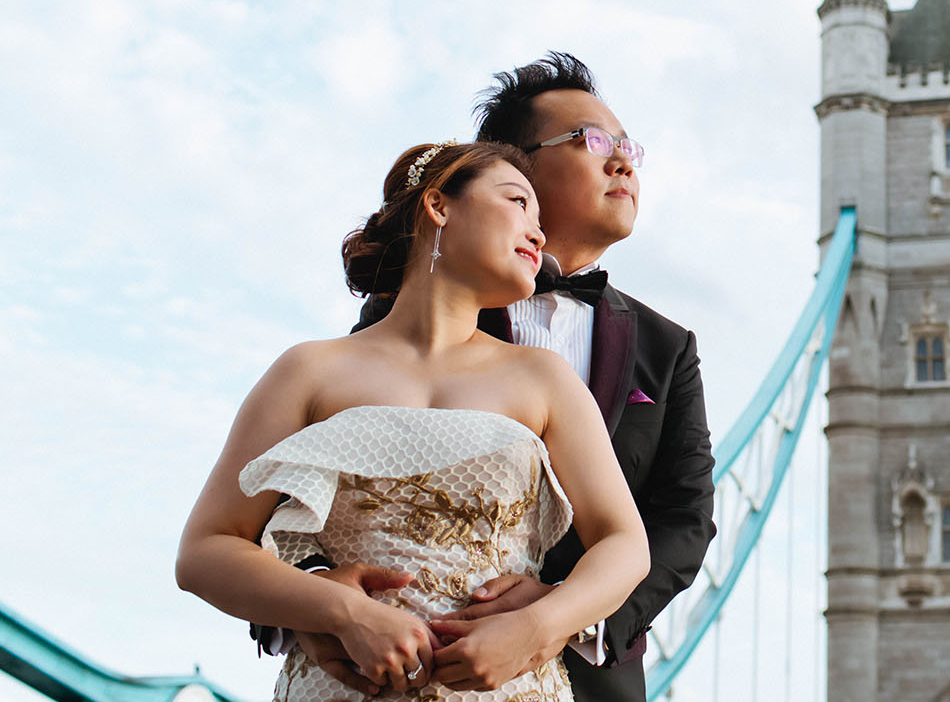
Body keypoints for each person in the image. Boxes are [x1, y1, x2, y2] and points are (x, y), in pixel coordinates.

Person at [289, 54, 717, 702]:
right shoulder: (413, 309)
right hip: (392, 668)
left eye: (629, 147)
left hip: (588, 681)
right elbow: (314, 477)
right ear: (511, 164)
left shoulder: (668, 347)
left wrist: (564, 618)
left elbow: (683, 520)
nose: (624, 161)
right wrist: (317, 597)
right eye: (592, 141)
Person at [178, 140, 650, 702]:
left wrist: (535, 628)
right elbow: (205, 549)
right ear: (438, 206)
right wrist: (342, 610)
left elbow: (625, 544)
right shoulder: (308, 370)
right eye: (518, 201)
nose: (539, 233)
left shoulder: (544, 379)